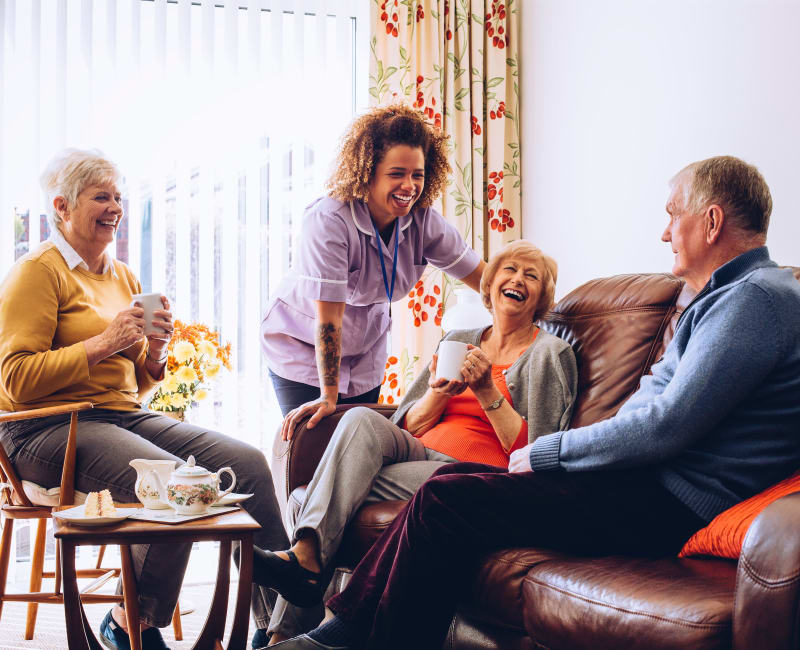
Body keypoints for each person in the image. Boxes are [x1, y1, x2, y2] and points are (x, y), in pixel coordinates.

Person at [268, 155, 800, 650]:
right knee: (448, 488)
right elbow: (650, 416)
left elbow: (665, 425)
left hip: (666, 500)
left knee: (448, 500)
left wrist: (553, 452)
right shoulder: (725, 298)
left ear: (710, 223)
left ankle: (339, 636)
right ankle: (339, 632)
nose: (664, 232)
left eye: (672, 216)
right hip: (642, 484)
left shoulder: (754, 298)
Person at [0, 149, 288, 650]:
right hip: (42, 429)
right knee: (173, 482)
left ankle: (284, 625)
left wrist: (153, 351)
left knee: (246, 463)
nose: (115, 206)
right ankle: (131, 621)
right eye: (101, 196)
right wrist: (104, 343)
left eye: (118, 196)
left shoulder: (122, 276)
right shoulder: (37, 272)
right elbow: (14, 380)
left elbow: (135, 383)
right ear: (63, 207)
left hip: (119, 415)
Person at [257, 241, 577, 644]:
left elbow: (538, 453)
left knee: (330, 492)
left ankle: (281, 629)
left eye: (531, 276)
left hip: (470, 473)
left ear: (542, 296)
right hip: (417, 451)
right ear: (490, 283)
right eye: (509, 270)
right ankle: (300, 580)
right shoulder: (459, 338)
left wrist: (484, 391)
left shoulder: (550, 353)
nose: (517, 279)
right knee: (359, 418)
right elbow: (406, 423)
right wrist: (440, 392)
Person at [261, 104, 485, 443]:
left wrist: (544, 314)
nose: (409, 186)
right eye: (396, 173)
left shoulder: (423, 221)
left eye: (418, 175)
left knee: (357, 454)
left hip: (365, 351)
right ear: (368, 172)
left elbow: (486, 280)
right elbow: (329, 320)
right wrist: (328, 395)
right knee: (313, 449)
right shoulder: (330, 220)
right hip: (303, 346)